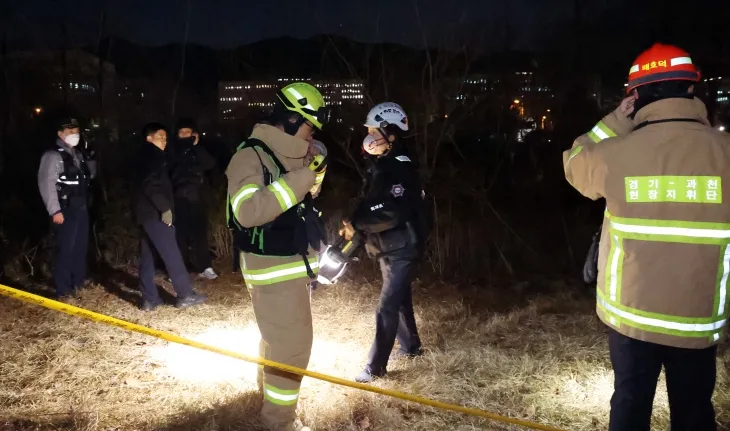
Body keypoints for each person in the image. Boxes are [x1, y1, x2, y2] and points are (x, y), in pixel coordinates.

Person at [563, 43, 730, 431]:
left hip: (631, 318)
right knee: (693, 412)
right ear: (692, 89)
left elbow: (573, 162)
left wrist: (616, 121)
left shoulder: (616, 153)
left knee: (630, 405)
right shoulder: (724, 152)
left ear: (634, 96)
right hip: (696, 321)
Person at [225, 82, 330, 431]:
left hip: (289, 266)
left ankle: (267, 396)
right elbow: (248, 211)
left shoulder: (286, 155)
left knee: (276, 339)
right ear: (288, 120)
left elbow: (298, 202)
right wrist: (301, 179)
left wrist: (313, 171)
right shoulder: (249, 156)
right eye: (308, 126)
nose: (311, 134)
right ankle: (278, 423)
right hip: (273, 268)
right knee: (293, 348)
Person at [340, 102, 429, 384]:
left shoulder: (400, 169)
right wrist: (354, 222)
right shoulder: (383, 166)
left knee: (387, 306)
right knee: (400, 299)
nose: (368, 137)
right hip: (389, 245)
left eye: (373, 131)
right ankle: (412, 347)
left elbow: (392, 211)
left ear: (390, 134)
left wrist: (358, 224)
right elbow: (372, 203)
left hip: (402, 246)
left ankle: (375, 367)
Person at [132, 122, 207, 311]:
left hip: (146, 213)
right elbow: (151, 184)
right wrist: (165, 208)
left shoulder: (149, 156)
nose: (164, 140)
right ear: (149, 138)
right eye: (160, 137)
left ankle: (150, 299)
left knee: (148, 256)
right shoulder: (150, 156)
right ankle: (185, 294)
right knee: (172, 253)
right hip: (155, 213)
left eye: (165, 137)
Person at [37, 117, 96, 300]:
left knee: (80, 247)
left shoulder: (77, 154)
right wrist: (55, 210)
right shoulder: (52, 155)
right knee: (66, 249)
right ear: (60, 134)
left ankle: (78, 283)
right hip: (65, 209)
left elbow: (91, 176)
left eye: (76, 132)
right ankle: (63, 289)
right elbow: (46, 184)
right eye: (70, 133)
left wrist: (90, 158)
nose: (74, 136)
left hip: (81, 207)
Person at [170, 118, 219, 280]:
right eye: (181, 132)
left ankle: (205, 266)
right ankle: (180, 269)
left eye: (188, 132)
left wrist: (196, 146)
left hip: (197, 198)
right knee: (180, 236)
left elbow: (210, 164)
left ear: (194, 134)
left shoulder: (198, 150)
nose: (184, 135)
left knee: (200, 235)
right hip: (179, 199)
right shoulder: (172, 150)